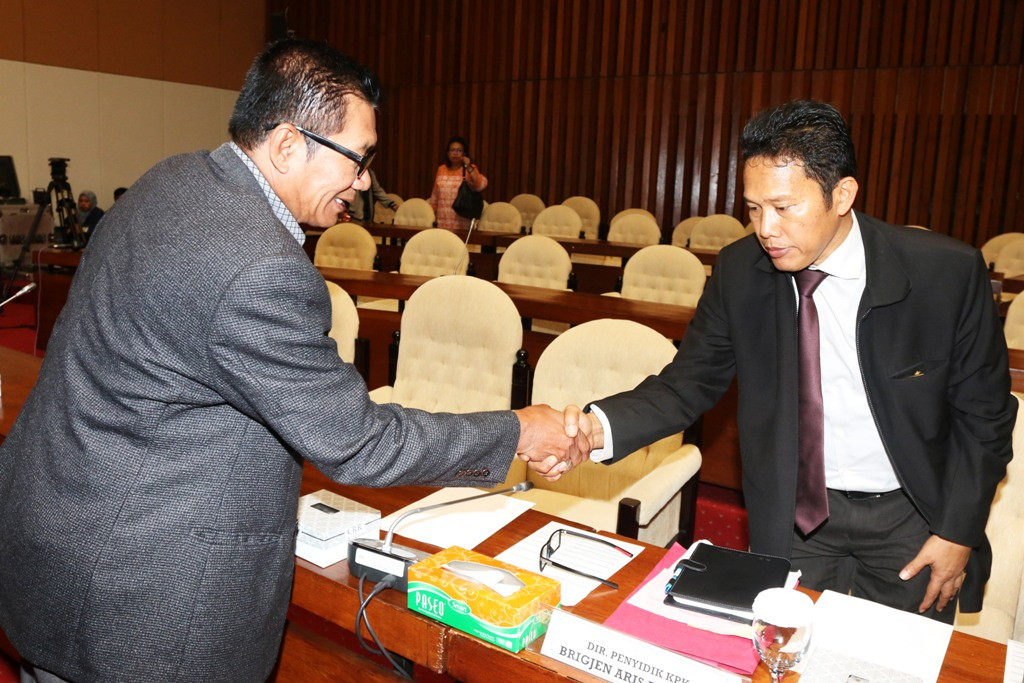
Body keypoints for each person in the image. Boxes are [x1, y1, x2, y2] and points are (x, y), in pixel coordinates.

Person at [0, 39, 582, 682]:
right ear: (285, 144)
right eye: (359, 160)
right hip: (146, 600)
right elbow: (356, 441)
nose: (364, 182)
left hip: (57, 533)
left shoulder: (174, 178)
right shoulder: (257, 265)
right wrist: (520, 430)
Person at [563, 99, 1015, 624]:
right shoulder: (740, 271)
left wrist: (957, 530)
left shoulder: (945, 273)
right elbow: (686, 384)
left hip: (910, 518)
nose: (765, 229)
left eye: (784, 207)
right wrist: (595, 429)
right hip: (799, 513)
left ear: (842, 194)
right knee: (780, 654)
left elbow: (985, 418)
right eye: (754, 208)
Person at [428, 135, 487, 230]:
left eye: (459, 150)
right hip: (442, 220)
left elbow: (480, 186)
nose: (455, 153)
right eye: (452, 150)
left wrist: (468, 167)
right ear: (447, 153)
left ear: (464, 154)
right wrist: (431, 214)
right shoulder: (441, 169)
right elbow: (435, 195)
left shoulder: (470, 169)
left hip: (461, 220)